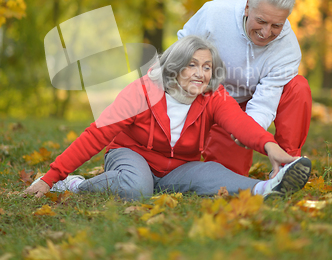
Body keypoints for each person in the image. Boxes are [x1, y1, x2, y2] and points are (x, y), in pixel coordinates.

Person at [24, 35, 311, 201]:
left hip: (179, 166)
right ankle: (75, 185)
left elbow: (241, 124)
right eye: (193, 65)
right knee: (136, 188)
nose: (201, 73)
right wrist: (51, 179)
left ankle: (267, 188)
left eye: (207, 67)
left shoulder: (213, 96)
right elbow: (95, 135)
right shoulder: (142, 92)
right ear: (174, 67)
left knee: (212, 174)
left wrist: (271, 147)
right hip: (130, 154)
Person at [177, 0, 312, 176]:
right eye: (261, 21)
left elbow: (265, 102)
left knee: (298, 86)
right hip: (207, 96)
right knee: (214, 174)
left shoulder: (287, 50)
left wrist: (249, 131)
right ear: (248, 7)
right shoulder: (214, 14)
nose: (266, 33)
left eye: (276, 25)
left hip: (245, 107)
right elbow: (180, 53)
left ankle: (287, 165)